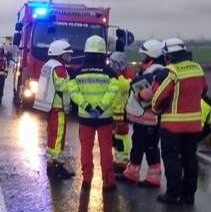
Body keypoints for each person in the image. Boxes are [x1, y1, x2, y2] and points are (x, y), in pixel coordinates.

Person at [151, 38, 207, 205]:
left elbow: (159, 99)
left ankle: (173, 193)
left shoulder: (171, 72)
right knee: (190, 158)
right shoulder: (197, 68)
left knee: (171, 158)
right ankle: (189, 195)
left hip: (172, 126)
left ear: (168, 55)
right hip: (194, 124)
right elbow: (204, 89)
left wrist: (156, 110)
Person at [69, 35, 120, 191]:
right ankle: (108, 182)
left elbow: (73, 92)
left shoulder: (77, 72)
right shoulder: (110, 72)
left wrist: (86, 106)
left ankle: (87, 179)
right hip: (104, 117)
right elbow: (113, 92)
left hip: (86, 117)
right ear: (103, 52)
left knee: (86, 148)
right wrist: (100, 108)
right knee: (106, 149)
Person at [122, 40, 166, 187]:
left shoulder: (156, 71)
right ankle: (132, 174)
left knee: (150, 148)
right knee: (138, 146)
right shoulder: (151, 69)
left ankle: (153, 178)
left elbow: (153, 91)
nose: (142, 58)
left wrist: (140, 95)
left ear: (151, 55)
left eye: (144, 55)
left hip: (149, 120)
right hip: (143, 119)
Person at [33, 39, 76, 179]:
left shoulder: (48, 65)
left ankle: (51, 166)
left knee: (52, 136)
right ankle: (58, 166)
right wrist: (75, 81)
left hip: (51, 107)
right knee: (58, 137)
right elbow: (62, 87)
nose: (68, 56)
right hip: (58, 108)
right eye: (66, 53)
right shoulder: (58, 67)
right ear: (59, 53)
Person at [108, 51, 135, 174]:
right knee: (114, 138)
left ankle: (123, 162)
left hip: (122, 112)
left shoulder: (128, 74)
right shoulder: (113, 73)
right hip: (112, 112)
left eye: (114, 63)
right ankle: (118, 160)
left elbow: (125, 88)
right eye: (111, 62)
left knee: (121, 137)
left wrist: (118, 74)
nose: (112, 65)